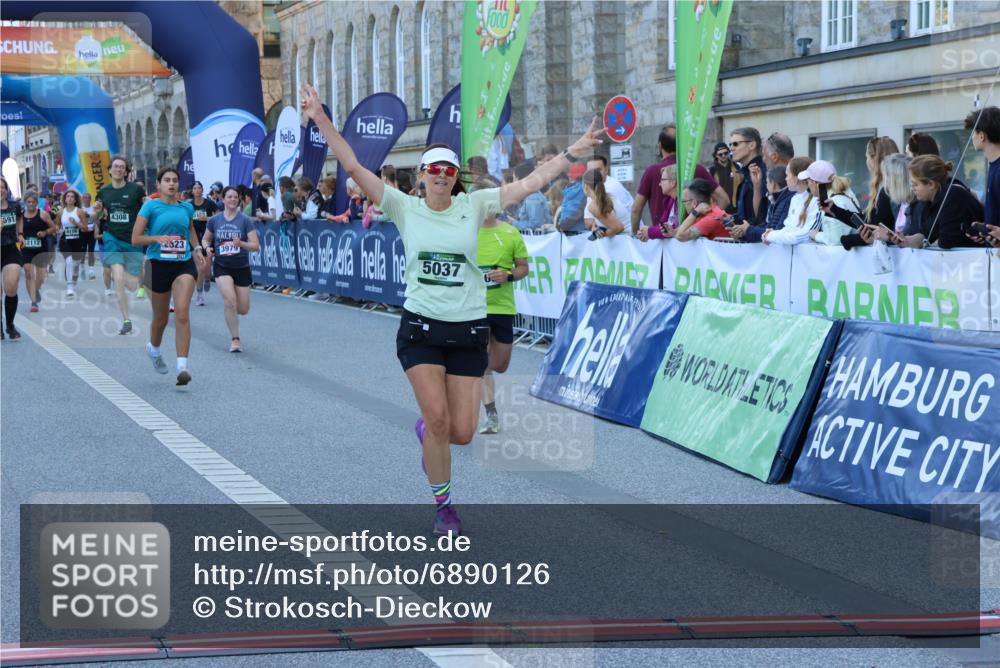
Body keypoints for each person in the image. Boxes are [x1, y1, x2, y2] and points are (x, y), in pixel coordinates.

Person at [300, 82, 604, 535]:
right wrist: (322, 119)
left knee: (461, 432)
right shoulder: (403, 206)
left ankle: (430, 435)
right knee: (440, 419)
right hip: (420, 330)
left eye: (448, 169)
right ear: (422, 176)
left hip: (467, 332)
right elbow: (352, 164)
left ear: (455, 176)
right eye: (434, 169)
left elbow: (531, 183)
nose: (441, 175)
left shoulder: (475, 204)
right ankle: (444, 506)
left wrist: (572, 153)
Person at [132, 167, 208, 385]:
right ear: (159, 184)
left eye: (175, 180)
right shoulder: (150, 206)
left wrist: (197, 248)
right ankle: (154, 349)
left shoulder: (186, 207)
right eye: (167, 180)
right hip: (157, 265)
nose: (172, 183)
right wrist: (156, 238)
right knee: (161, 319)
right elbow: (135, 239)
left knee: (182, 313)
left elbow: (190, 229)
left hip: (183, 264)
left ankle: (182, 367)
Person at [472, 179, 529, 434]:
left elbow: (523, 268)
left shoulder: (510, 232)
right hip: (474, 309)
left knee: (500, 364)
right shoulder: (465, 233)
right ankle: (491, 414)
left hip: (503, 307)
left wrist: (507, 275)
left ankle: (477, 372)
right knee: (482, 362)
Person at [202, 186, 259, 352]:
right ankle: (235, 339)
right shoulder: (215, 220)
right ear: (223, 199)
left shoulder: (245, 220)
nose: (233, 199)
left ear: (239, 199)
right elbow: (205, 239)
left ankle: (234, 311)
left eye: (235, 197)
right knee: (229, 301)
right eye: (229, 197)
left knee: (243, 309)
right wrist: (207, 248)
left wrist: (241, 243)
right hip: (222, 265)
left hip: (241, 266)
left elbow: (256, 246)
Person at [97, 156, 147, 334]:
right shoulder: (103, 192)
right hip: (112, 238)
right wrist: (95, 213)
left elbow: (146, 208)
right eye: (115, 166)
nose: (118, 169)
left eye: (122, 167)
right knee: (118, 278)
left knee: (131, 285)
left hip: (132, 239)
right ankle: (126, 320)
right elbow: (97, 215)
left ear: (126, 172)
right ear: (110, 170)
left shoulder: (136, 190)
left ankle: (137, 281)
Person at [894, 155, 985, 249]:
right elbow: (925, 236)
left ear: (931, 184)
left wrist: (927, 246)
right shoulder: (926, 201)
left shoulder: (952, 195)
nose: (912, 188)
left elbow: (947, 241)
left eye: (915, 184)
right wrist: (906, 241)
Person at [830, 137, 900, 249]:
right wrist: (833, 209)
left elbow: (878, 232)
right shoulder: (888, 187)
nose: (866, 161)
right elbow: (868, 222)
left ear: (874, 158)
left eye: (866, 157)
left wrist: (847, 240)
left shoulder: (887, 190)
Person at [762, 156, 821, 245]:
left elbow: (807, 235)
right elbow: (789, 228)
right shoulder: (794, 199)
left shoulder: (817, 200)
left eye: (787, 175)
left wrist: (772, 236)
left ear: (797, 177)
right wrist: (772, 234)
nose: (785, 179)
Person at [799, 161, 860, 246]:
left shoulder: (833, 202)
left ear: (814, 183)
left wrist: (816, 235)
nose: (808, 185)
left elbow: (835, 240)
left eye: (808, 181)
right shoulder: (845, 192)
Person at [726, 127, 769, 238]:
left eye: (735, 144)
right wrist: (731, 219)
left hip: (761, 240)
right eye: (730, 144)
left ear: (752, 145)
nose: (731, 148)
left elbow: (764, 213)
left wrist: (748, 228)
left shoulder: (762, 172)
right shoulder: (746, 172)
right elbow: (747, 212)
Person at [19, 192, 58, 312]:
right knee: (29, 273)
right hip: (26, 249)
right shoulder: (21, 215)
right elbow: (17, 231)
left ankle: (35, 289)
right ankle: (34, 302)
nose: (31, 204)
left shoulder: (43, 214)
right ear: (25, 203)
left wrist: (45, 232)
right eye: (29, 202)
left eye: (33, 202)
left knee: (40, 277)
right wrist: (19, 238)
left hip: (41, 249)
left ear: (37, 202)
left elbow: (54, 227)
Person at [965, 106, 1000, 231]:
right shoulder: (994, 167)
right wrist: (985, 229)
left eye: (973, 132)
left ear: (981, 136)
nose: (972, 137)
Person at [1, 178, 24, 340]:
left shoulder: (14, 205)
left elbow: (19, 218)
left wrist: (20, 234)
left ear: (6, 189)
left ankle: (10, 324)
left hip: (10, 248)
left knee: (11, 286)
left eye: (2, 187)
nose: (0, 190)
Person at [586, 154, 634, 233]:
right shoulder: (594, 188)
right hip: (622, 235)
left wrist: (600, 230)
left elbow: (617, 227)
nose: (594, 174)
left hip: (629, 236)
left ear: (606, 170)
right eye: (591, 171)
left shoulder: (610, 187)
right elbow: (588, 221)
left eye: (598, 170)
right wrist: (594, 224)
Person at [189, 181, 219, 306]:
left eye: (199, 188)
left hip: (207, 237)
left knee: (206, 271)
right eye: (194, 188)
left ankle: (207, 278)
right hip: (194, 238)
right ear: (192, 191)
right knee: (200, 267)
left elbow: (219, 217)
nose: (197, 190)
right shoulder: (189, 205)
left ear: (202, 190)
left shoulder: (209, 203)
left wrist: (207, 218)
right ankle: (200, 295)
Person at [58, 189, 89, 298]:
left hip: (77, 240)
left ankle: (73, 281)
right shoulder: (61, 212)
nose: (70, 198)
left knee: (75, 265)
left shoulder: (79, 211)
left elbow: (85, 228)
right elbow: (56, 225)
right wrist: (57, 230)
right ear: (65, 199)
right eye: (68, 196)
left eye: (72, 197)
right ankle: (69, 286)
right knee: (69, 261)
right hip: (65, 240)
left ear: (75, 200)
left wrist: (76, 223)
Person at [636, 164, 679, 241]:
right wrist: (645, 232)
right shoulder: (670, 201)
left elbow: (673, 228)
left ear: (673, 182)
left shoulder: (682, 202)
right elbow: (663, 226)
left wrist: (649, 232)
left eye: (662, 180)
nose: (659, 184)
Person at [582, 169, 626, 239]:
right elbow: (607, 219)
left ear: (586, 186)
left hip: (628, 240)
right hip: (631, 239)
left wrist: (603, 235)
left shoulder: (594, 205)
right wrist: (595, 227)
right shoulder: (606, 196)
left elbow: (619, 228)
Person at [510, 162, 549, 231]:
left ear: (518, 179)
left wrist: (514, 223)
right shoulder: (530, 196)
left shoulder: (533, 198)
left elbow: (536, 225)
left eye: (513, 178)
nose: (512, 182)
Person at [557, 163, 587, 233]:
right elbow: (580, 211)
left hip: (565, 225)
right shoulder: (584, 190)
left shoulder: (567, 190)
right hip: (579, 229)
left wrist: (562, 224)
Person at [709, 142, 738, 212]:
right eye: (720, 154)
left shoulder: (736, 167)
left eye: (725, 153)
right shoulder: (712, 170)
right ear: (716, 155)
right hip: (719, 209)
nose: (723, 156)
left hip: (735, 207)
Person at [80, 192, 97, 279]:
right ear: (82, 199)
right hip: (82, 232)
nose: (87, 199)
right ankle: (82, 268)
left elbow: (96, 219)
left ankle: (91, 270)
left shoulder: (93, 208)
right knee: (82, 252)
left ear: (90, 199)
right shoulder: (79, 209)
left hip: (91, 232)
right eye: (85, 197)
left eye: (88, 197)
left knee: (91, 251)